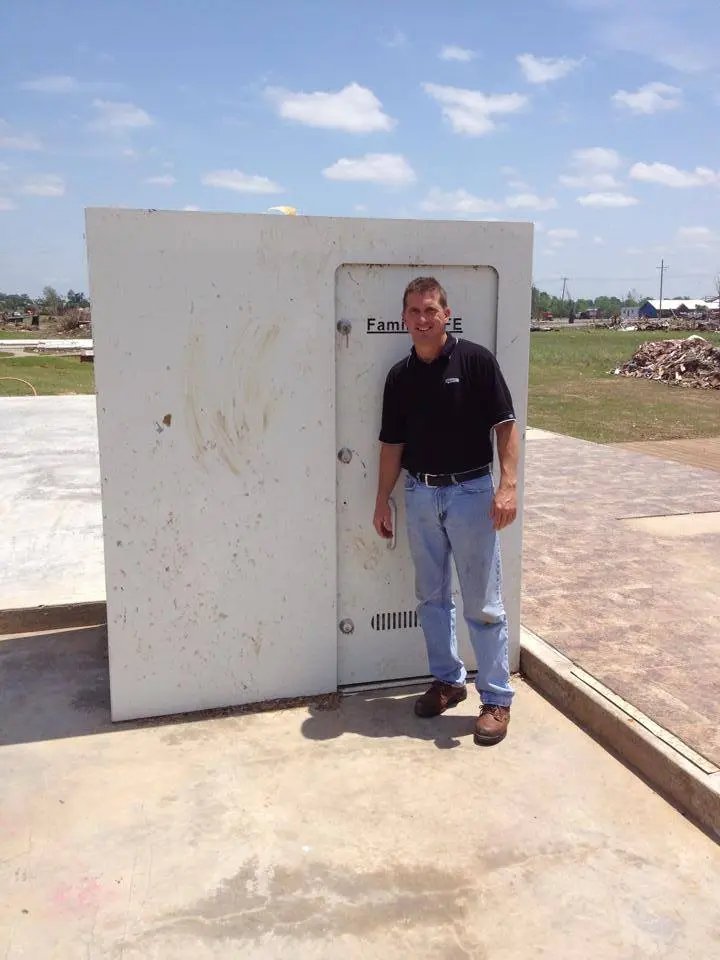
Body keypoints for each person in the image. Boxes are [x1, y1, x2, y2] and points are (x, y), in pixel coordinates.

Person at [372, 276, 520, 746]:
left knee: (482, 602)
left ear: (446, 314)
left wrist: (508, 486)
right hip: (420, 494)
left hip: (472, 494)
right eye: (413, 311)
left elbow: (505, 425)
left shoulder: (476, 361)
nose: (422, 319)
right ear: (404, 319)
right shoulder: (399, 377)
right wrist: (383, 499)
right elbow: (392, 445)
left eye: (430, 310)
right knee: (432, 598)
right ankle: (448, 681)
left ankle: (496, 698)